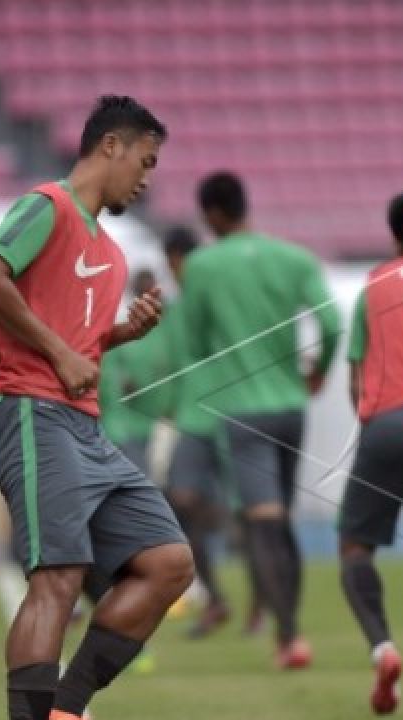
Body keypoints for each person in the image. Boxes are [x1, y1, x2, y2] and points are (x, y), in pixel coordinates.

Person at [0, 95, 194, 720]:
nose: (148, 179)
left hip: (84, 426)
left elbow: (80, 343)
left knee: (168, 562)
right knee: (59, 578)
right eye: (146, 162)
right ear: (112, 147)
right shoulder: (49, 206)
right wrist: (62, 351)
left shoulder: (111, 251)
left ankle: (64, 711)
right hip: (32, 415)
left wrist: (119, 336)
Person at [181, 171, 341, 668]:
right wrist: (317, 369)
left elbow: (193, 343)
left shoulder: (202, 265)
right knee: (282, 520)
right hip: (290, 406)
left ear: (211, 214)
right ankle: (291, 631)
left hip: (242, 410)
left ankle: (289, 637)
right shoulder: (293, 257)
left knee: (263, 525)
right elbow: (332, 322)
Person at [337, 185, 403, 714]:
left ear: (394, 233)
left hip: (385, 426)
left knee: (355, 548)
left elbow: (355, 381)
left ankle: (382, 646)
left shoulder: (373, 285)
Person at [154, 225, 239, 638]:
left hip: (232, 414)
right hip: (193, 418)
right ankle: (216, 598)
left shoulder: (222, 298)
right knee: (182, 501)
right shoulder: (174, 307)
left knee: (252, 516)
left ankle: (268, 613)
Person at [98, 268, 170, 476]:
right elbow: (108, 373)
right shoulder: (123, 328)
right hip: (122, 426)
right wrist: (123, 382)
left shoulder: (166, 329)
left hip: (155, 423)